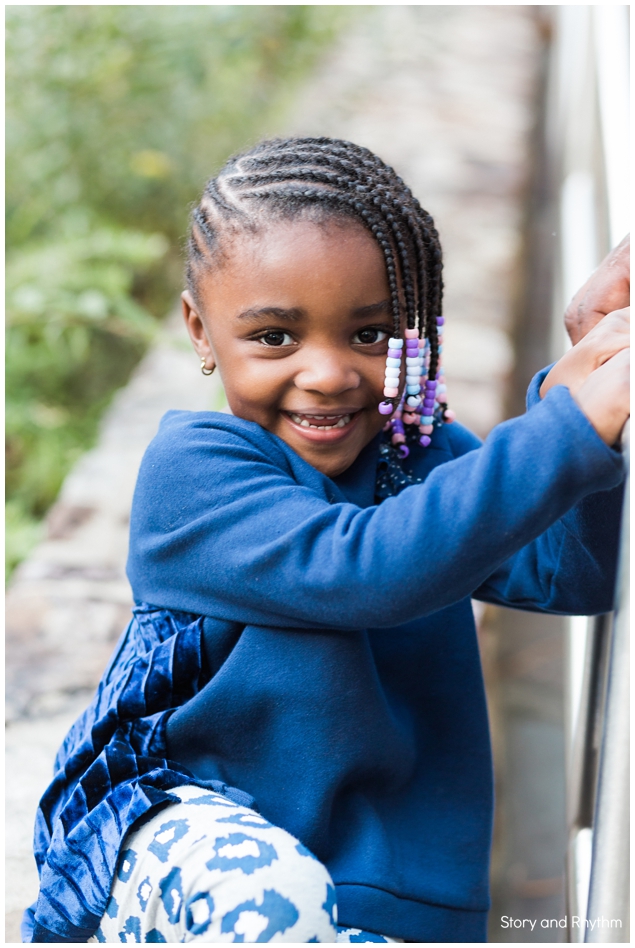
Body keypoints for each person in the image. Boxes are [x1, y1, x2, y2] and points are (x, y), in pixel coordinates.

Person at [25, 139, 629, 944]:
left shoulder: (422, 459)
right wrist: (563, 429)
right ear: (200, 332)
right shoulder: (195, 472)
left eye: (370, 334)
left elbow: (568, 574)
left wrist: (583, 385)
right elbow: (367, 566)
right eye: (275, 337)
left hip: (395, 902)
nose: (328, 374)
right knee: (275, 894)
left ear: (415, 330)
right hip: (191, 853)